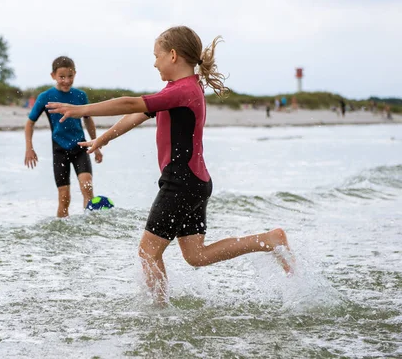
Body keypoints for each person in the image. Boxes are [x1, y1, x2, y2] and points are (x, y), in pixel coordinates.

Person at [47, 26, 293, 302]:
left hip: (181, 182)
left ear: (173, 56)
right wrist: (102, 138)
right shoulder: (180, 89)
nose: (154, 62)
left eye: (157, 56)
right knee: (196, 255)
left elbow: (130, 103)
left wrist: (82, 110)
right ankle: (269, 240)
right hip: (194, 182)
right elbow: (138, 114)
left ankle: (159, 313)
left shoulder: (185, 90)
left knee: (147, 251)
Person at [24, 56, 103, 217]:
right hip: (59, 150)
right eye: (62, 77)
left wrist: (96, 145)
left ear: (75, 74)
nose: (66, 80)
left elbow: (88, 121)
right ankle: (61, 235)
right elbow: (29, 123)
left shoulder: (80, 96)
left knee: (87, 187)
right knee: (64, 198)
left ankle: (89, 228)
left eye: (70, 76)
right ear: (53, 76)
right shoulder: (45, 97)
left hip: (80, 148)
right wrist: (29, 149)